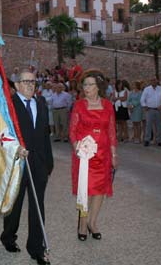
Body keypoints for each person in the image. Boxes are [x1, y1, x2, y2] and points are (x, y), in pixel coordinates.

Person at [0, 69, 53, 265]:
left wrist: (48, 161)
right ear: (17, 85)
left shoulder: (41, 103)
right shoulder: (9, 106)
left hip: (39, 162)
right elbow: (2, 134)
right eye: (26, 81)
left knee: (37, 205)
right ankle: (8, 236)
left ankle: (36, 249)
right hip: (18, 161)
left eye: (33, 81)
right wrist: (15, 148)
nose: (31, 85)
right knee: (15, 203)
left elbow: (45, 133)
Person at [69, 69, 117, 241]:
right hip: (84, 156)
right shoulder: (79, 105)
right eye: (85, 84)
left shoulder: (108, 105)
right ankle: (82, 224)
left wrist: (113, 154)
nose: (86, 87)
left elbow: (111, 130)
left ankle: (92, 222)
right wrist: (77, 147)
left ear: (98, 87)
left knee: (100, 190)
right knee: (85, 190)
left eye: (90, 84)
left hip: (103, 155)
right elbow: (73, 131)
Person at [140, 77, 161, 146]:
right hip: (149, 109)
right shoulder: (147, 89)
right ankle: (147, 140)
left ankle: (160, 141)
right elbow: (142, 99)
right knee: (148, 125)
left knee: (159, 126)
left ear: (157, 81)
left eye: (154, 80)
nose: (153, 81)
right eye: (152, 80)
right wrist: (145, 106)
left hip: (159, 110)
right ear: (150, 81)